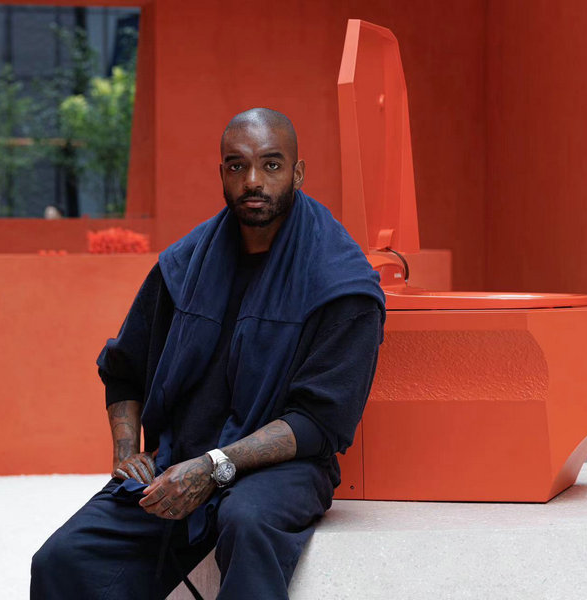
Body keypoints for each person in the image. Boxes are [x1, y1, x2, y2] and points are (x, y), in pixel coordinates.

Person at [30, 108, 385, 599]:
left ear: (298, 173)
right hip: (180, 461)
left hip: (284, 470)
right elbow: (124, 370)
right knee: (64, 558)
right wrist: (127, 454)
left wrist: (215, 466)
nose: (253, 180)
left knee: (246, 519)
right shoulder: (184, 264)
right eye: (237, 166)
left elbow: (319, 422)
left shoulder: (339, 281)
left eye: (271, 165)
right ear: (222, 174)